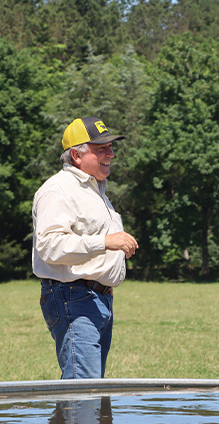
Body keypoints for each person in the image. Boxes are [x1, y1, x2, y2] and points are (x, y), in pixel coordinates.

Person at [32, 117, 138, 379]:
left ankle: (67, 421)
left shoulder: (94, 189)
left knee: (86, 388)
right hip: (73, 297)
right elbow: (49, 245)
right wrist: (105, 242)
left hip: (94, 298)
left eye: (111, 147)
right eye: (101, 148)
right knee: (85, 390)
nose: (111, 154)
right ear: (77, 156)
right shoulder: (58, 190)